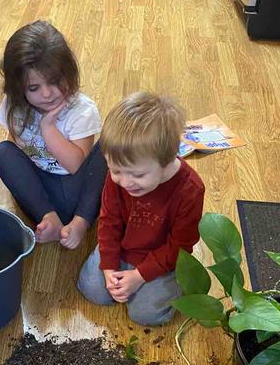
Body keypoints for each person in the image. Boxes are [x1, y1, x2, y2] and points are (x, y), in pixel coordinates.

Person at [77, 92, 205, 325]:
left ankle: (175, 284)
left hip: (163, 258)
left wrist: (139, 276)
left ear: (167, 161)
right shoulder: (121, 175)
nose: (125, 182)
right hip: (124, 249)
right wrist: (108, 267)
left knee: (146, 315)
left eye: (138, 175)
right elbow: (109, 221)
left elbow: (180, 245)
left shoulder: (190, 190)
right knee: (93, 290)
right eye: (115, 171)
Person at [0, 20, 106, 249]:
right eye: (33, 88)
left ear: (68, 73)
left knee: (109, 146)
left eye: (54, 82)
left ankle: (81, 223)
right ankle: (49, 218)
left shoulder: (82, 110)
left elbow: (75, 165)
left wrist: (48, 128)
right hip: (41, 195)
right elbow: (16, 147)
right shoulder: (14, 105)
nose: (46, 94)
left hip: (76, 194)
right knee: (2, 152)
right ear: (18, 88)